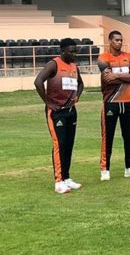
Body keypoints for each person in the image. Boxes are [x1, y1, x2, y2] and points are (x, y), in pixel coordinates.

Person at [34, 38, 84, 194]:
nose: (74, 54)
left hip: (71, 110)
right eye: (71, 51)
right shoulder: (53, 64)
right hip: (56, 112)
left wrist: (77, 96)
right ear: (62, 51)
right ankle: (59, 181)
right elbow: (38, 82)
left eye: (76, 51)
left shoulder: (74, 66)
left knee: (69, 144)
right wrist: (48, 102)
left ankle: (67, 177)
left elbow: (80, 83)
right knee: (59, 144)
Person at [98, 30, 130, 181]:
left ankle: (129, 168)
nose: (119, 42)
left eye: (121, 40)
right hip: (111, 102)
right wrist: (127, 77)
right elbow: (107, 80)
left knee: (129, 136)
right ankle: (105, 169)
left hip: (129, 102)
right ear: (110, 41)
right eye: (116, 40)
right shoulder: (103, 58)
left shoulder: (129, 57)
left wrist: (116, 75)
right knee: (108, 137)